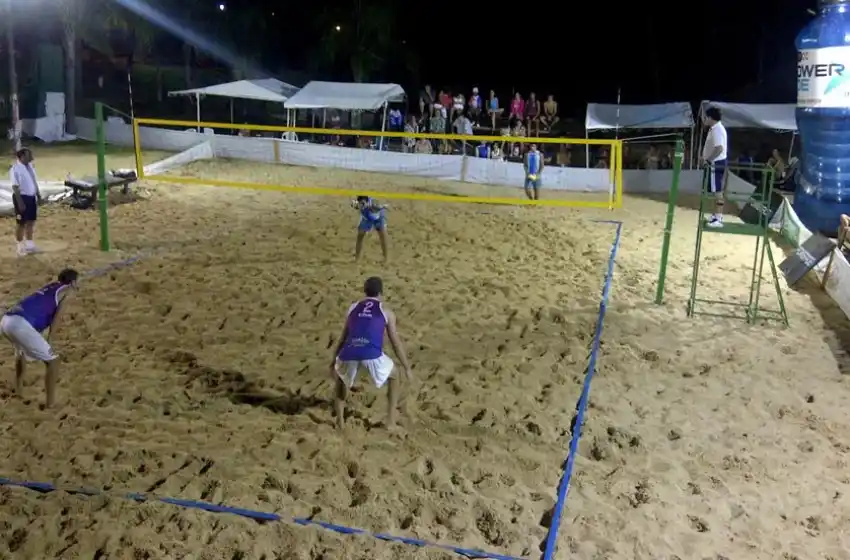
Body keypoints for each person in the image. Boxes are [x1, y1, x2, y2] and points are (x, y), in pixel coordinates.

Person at [329, 276, 412, 430]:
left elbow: (343, 338)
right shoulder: (386, 311)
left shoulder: (353, 307)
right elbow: (395, 342)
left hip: (349, 352)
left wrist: (333, 360)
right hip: (371, 354)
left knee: (341, 379)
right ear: (381, 292)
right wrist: (406, 367)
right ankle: (390, 422)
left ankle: (340, 422)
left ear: (365, 291)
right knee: (395, 376)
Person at [0, 268, 79, 408]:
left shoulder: (50, 286)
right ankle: (51, 404)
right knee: (53, 361)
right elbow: (57, 318)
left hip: (7, 320)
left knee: (21, 353)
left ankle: (19, 390)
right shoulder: (67, 292)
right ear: (72, 282)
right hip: (19, 324)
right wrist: (51, 340)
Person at [10, 147, 42, 257]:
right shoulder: (15, 169)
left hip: (31, 197)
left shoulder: (30, 167)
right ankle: (19, 247)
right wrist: (20, 202)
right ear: (22, 156)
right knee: (21, 223)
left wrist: (38, 194)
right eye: (29, 155)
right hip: (22, 197)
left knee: (31, 221)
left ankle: (29, 245)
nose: (32, 157)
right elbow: (15, 186)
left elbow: (33, 180)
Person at [700, 106, 728, 228]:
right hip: (716, 163)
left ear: (711, 118)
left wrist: (708, 160)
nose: (704, 119)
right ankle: (716, 215)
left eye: (706, 117)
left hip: (715, 163)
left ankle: (718, 218)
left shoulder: (717, 129)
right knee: (716, 191)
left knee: (717, 192)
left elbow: (719, 148)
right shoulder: (715, 128)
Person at [353, 195, 389, 262]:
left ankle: (385, 258)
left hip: (378, 216)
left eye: (363, 203)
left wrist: (383, 207)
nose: (362, 206)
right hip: (367, 217)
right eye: (360, 203)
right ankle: (357, 258)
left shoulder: (374, 203)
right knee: (360, 235)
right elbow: (355, 205)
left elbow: (380, 208)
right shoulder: (358, 204)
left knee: (382, 235)